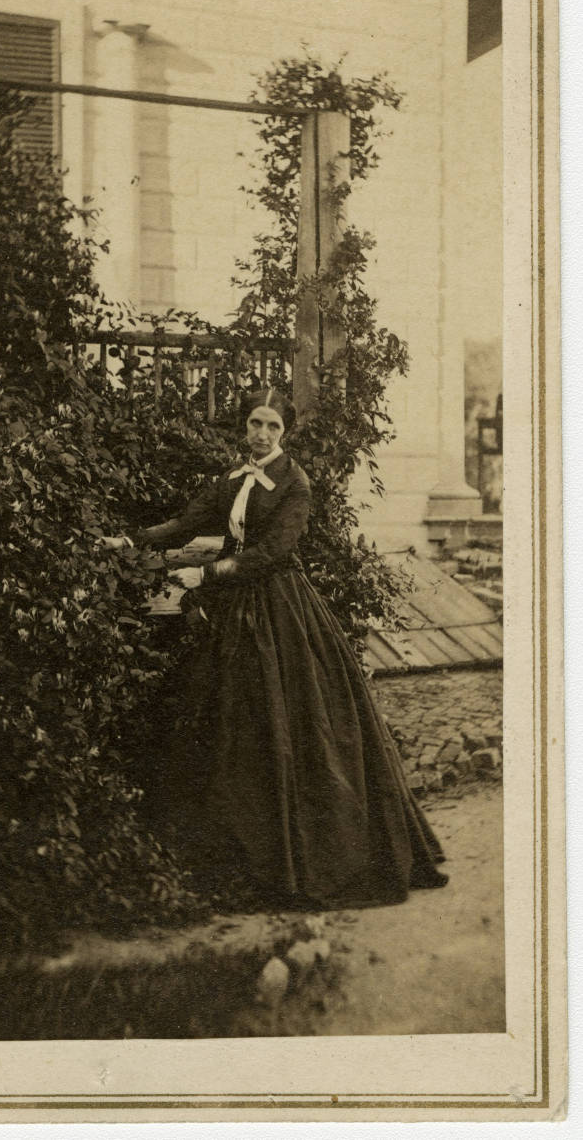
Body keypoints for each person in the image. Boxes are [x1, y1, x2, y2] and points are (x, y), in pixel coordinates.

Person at [107, 387, 447, 909]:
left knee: (286, 721)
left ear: (283, 433)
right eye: (253, 423)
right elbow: (188, 521)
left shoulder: (295, 482)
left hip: (279, 605)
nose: (260, 433)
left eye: (271, 426)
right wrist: (133, 541)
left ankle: (290, 860)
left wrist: (205, 572)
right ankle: (224, 855)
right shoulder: (230, 478)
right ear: (244, 428)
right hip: (231, 606)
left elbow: (271, 553)